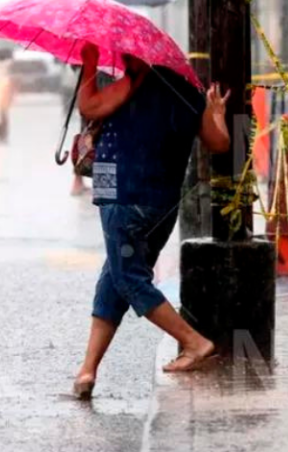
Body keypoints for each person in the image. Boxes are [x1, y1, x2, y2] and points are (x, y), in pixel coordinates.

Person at [73, 43, 231, 400]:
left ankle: (194, 342)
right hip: (161, 207)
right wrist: (216, 111)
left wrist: (88, 63)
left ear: (137, 58)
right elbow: (218, 143)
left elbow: (89, 106)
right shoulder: (189, 91)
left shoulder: (135, 82)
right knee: (113, 279)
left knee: (128, 277)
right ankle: (87, 371)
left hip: (124, 198)